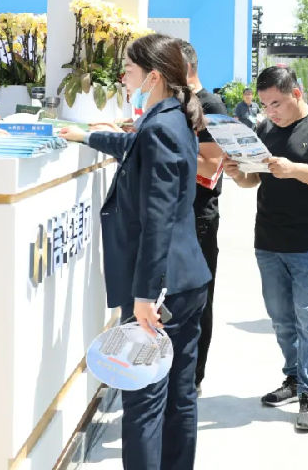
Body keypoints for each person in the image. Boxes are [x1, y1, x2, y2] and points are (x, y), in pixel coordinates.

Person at [59, 34, 211, 470]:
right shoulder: (172, 119)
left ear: (153, 76)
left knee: (144, 401)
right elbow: (137, 151)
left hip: (161, 289)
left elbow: (157, 219)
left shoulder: (162, 125)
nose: (123, 78)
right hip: (185, 279)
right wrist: (88, 136)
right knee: (179, 396)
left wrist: (145, 294)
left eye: (128, 70)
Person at [223, 65, 308, 430]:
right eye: (264, 105)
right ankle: (293, 378)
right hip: (268, 240)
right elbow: (254, 179)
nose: (270, 112)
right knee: (280, 318)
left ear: (296, 93)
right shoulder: (265, 129)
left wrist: (294, 169)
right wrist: (237, 173)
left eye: (275, 103)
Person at [176, 39, 227, 395]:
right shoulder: (174, 103)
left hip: (198, 217)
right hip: (174, 214)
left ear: (186, 68)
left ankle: (193, 377)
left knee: (198, 300)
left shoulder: (210, 105)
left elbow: (210, 167)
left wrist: (163, 148)